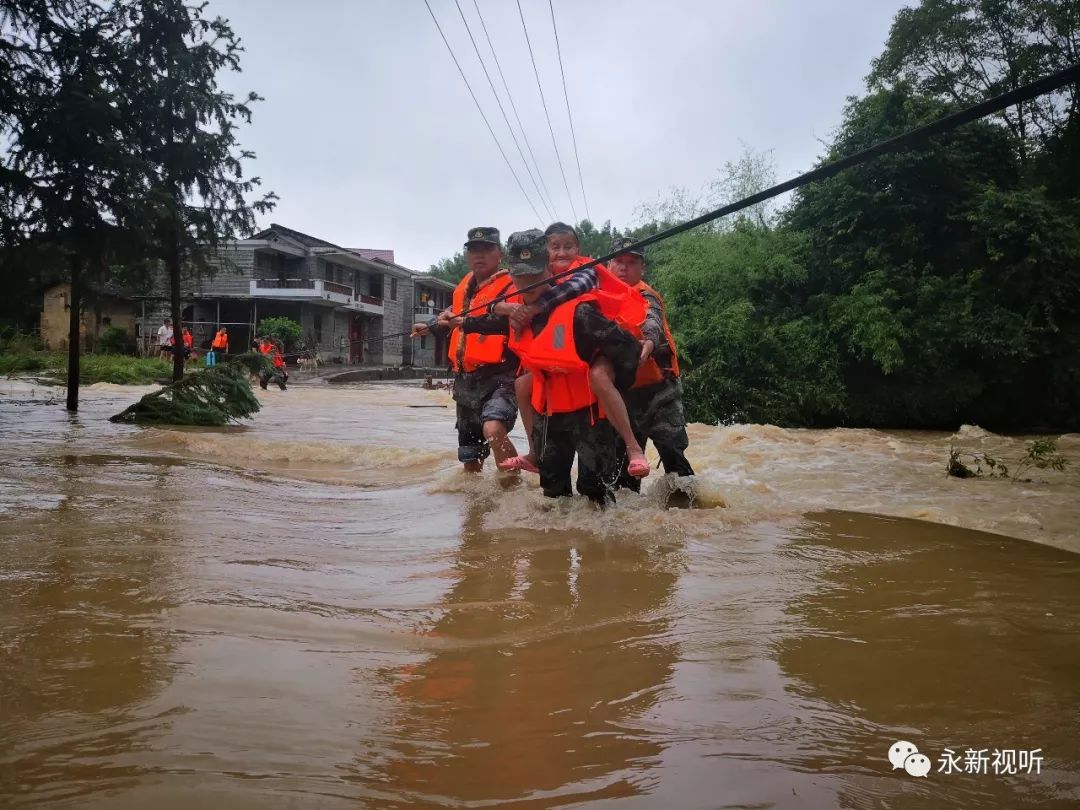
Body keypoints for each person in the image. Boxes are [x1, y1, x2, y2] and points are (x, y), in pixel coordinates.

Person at [461, 229, 641, 506]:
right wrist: (455, 321)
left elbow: (628, 350)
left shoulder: (580, 312)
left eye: (534, 276)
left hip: (591, 416)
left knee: (595, 495)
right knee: (553, 497)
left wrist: (607, 379)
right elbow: (484, 318)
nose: (527, 284)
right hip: (548, 418)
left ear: (548, 270)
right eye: (520, 277)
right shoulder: (515, 312)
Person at [497, 222, 651, 478]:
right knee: (522, 385)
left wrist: (536, 307)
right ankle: (535, 451)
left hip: (602, 351)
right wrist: (499, 308)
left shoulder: (583, 272)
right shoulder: (519, 292)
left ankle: (633, 447)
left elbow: (574, 288)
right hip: (556, 392)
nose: (562, 253)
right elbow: (487, 312)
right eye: (555, 247)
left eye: (568, 246)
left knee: (599, 377)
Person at [410, 226, 519, 473]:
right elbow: (452, 320)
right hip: (465, 381)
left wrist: (466, 322)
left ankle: (514, 489)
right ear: (467, 255)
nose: (479, 255)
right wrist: (429, 326)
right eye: (474, 250)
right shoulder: (464, 288)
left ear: (499, 254)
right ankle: (474, 507)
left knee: (493, 428)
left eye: (486, 249)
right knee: (470, 458)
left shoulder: (512, 285)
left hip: (500, 377)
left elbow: (509, 322)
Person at [607, 237, 695, 494]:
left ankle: (689, 511)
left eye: (631, 262)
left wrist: (647, 344)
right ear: (609, 265)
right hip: (622, 395)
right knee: (623, 474)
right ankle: (629, 526)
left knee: (673, 454)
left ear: (642, 268)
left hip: (660, 391)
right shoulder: (598, 299)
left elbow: (652, 323)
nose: (624, 268)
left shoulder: (647, 296)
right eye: (619, 262)